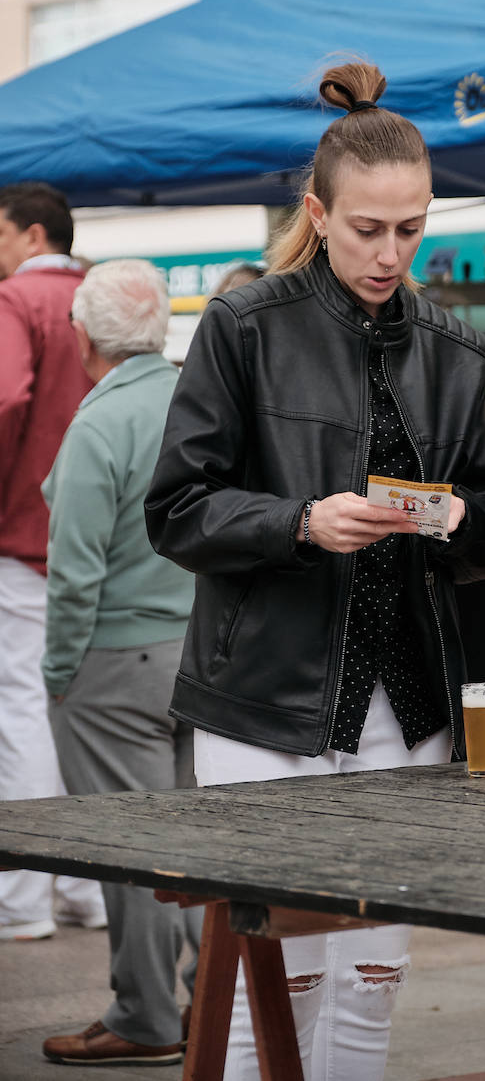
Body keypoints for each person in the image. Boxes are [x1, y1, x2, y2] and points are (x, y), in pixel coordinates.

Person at [145, 61, 485, 1081]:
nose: (390, 251)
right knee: (280, 978)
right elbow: (176, 509)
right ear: (318, 210)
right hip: (265, 699)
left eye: (411, 227)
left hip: (411, 703)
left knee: (372, 980)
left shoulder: (453, 346)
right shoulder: (244, 325)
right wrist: (300, 522)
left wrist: (452, 515)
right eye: (366, 228)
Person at [39, 259, 201, 1066]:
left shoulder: (98, 427)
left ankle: (145, 1017)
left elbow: (73, 570)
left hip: (113, 661)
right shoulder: (196, 405)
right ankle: (219, 1000)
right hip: (196, 655)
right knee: (196, 846)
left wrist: (59, 673)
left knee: (130, 851)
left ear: (81, 335)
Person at [0, 182, 106, 942]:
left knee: (23, 714)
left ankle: (22, 901)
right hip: (102, 543)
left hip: (23, 533)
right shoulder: (98, 296)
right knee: (76, 711)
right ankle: (89, 890)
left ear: (31, 234)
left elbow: (5, 399)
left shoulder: (17, 299)